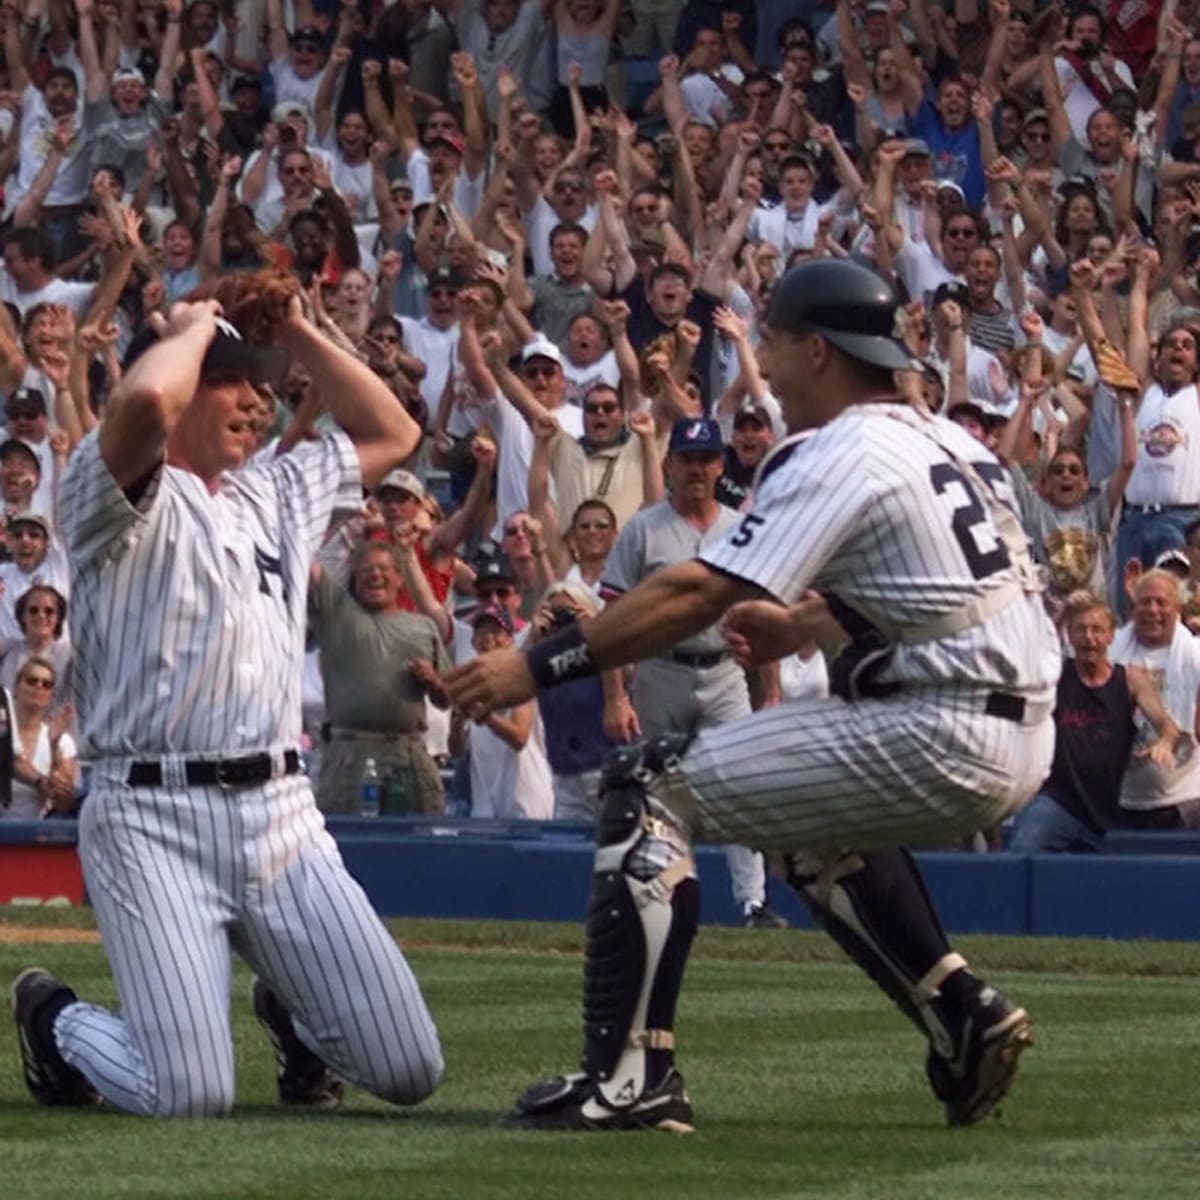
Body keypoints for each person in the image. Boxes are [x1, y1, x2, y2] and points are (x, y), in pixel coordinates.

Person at [447, 259, 1058, 1131]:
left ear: (819, 349)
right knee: (804, 831)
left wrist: (532, 666)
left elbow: (697, 594)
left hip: (942, 722)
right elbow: (959, 582)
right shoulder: (952, 440)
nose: (762, 363)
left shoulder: (838, 446)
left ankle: (629, 1079)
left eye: (771, 340)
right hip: (1010, 721)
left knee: (646, 783)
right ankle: (960, 1012)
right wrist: (807, 623)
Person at [11, 275, 443, 1118]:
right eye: (233, 380)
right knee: (188, 1092)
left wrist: (299, 330)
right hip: (150, 817)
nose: (258, 399)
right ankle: (56, 1021)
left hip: (281, 816)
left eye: (262, 383)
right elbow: (141, 397)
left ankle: (293, 1012)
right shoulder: (109, 490)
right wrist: (193, 324)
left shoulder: (276, 489)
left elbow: (396, 429)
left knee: (408, 1068)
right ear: (186, 386)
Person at [600, 415, 786, 931]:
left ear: (720, 465)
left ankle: (753, 902)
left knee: (740, 784)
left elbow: (761, 608)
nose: (697, 469)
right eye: (687, 459)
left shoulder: (739, 527)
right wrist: (615, 696)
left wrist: (771, 688)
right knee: (659, 792)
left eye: (706, 459)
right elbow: (613, 617)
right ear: (671, 464)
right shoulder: (643, 528)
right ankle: (665, 898)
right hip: (661, 668)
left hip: (726, 671)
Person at [1009, 594, 1179, 853]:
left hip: (1108, 813)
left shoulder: (1131, 680)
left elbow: (1167, 725)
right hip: (1057, 803)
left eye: (1097, 630)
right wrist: (1062, 614)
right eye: (1081, 630)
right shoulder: (1056, 674)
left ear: (1111, 636)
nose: (1089, 638)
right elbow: (1028, 657)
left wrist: (1165, 742)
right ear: (1070, 636)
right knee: (1023, 848)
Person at [310, 542, 451, 817]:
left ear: (399, 578)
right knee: (346, 848)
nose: (375, 575)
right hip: (348, 760)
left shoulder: (423, 627)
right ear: (354, 579)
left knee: (417, 847)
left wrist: (434, 682)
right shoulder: (337, 614)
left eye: (383, 568)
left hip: (408, 758)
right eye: (366, 570)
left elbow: (446, 699)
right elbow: (307, 560)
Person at [0, 656, 76, 821]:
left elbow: (63, 803)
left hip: (34, 835)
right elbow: (9, 761)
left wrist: (53, 745)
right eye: (32, 680)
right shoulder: (2, 727)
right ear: (16, 687)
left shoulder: (62, 741)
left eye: (47, 684)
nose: (39, 687)